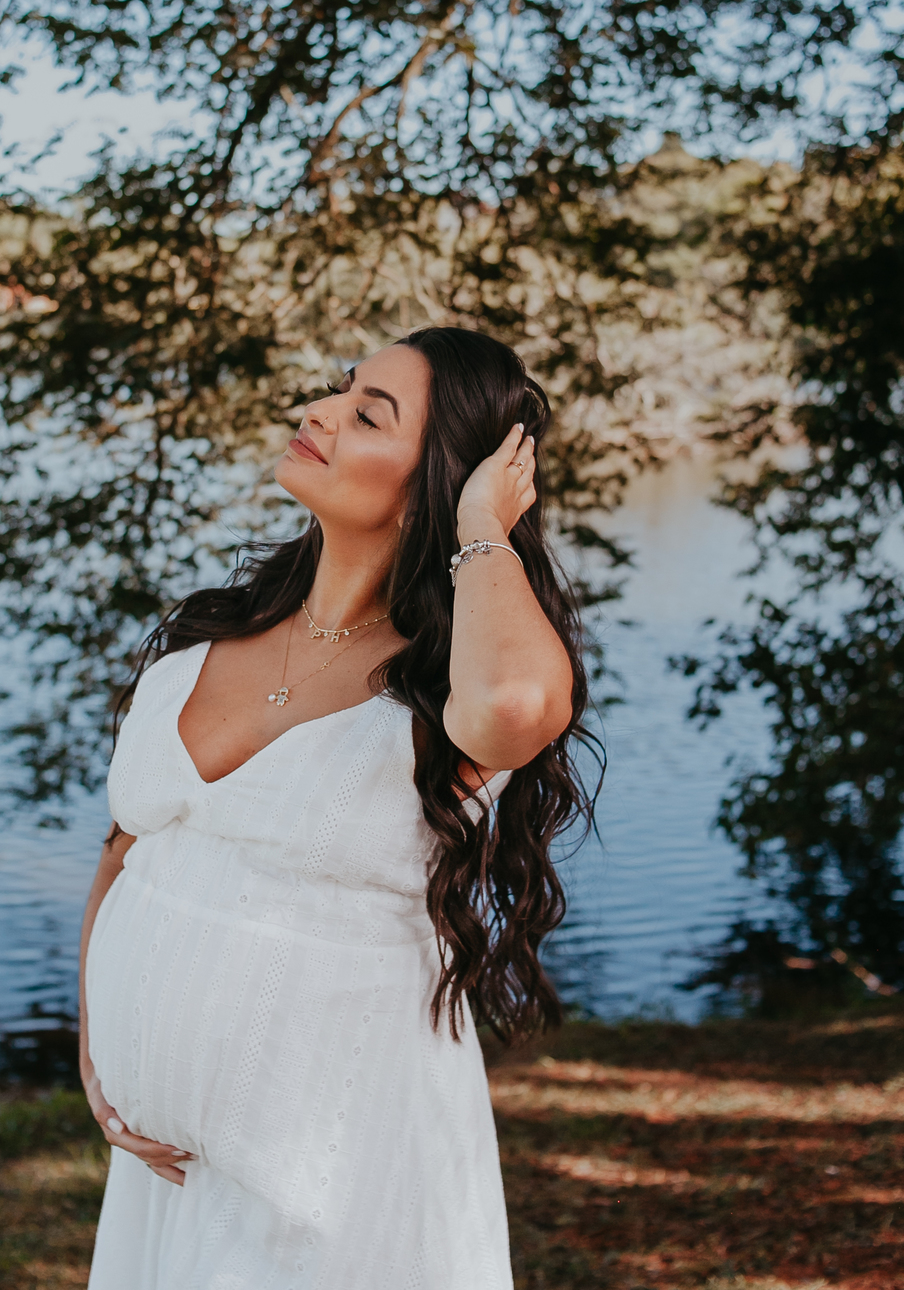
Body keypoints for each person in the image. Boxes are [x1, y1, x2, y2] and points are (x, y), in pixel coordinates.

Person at [78, 326, 590, 1288]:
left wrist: (482, 527)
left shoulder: (447, 693)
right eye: (337, 393)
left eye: (368, 415)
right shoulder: (204, 640)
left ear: (436, 477)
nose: (317, 412)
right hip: (161, 1176)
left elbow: (522, 706)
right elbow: (127, 854)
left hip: (336, 1176)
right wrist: (96, 1057)